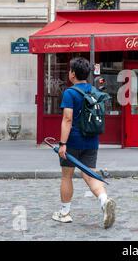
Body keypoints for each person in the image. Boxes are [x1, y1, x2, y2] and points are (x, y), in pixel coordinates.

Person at [52, 57, 116, 228]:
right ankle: (104, 200)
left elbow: (67, 119)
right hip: (92, 139)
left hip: (72, 141)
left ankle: (64, 213)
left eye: (70, 70)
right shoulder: (93, 90)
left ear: (73, 74)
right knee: (90, 174)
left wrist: (62, 144)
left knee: (67, 175)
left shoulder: (70, 93)